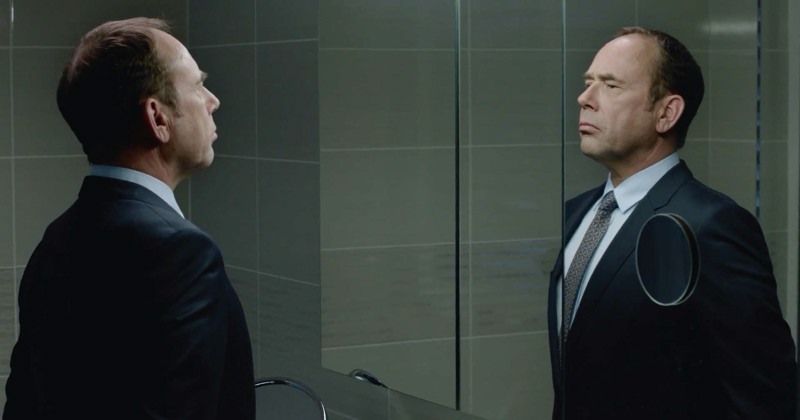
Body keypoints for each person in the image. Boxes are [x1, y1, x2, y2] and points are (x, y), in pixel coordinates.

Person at [3, 18, 254, 419]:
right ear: (158, 118)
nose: (213, 101)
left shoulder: (59, 237)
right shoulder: (181, 251)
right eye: (197, 85)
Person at [548, 26, 797, 419]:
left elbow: (765, 394)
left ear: (666, 113)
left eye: (610, 85)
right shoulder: (577, 213)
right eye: (588, 82)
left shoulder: (710, 225)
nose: (584, 98)